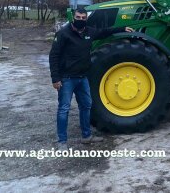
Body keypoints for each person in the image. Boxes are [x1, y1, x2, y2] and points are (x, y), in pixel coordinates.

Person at [49, 8, 134, 150]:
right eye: (78, 17)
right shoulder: (63, 33)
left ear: (86, 19)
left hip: (83, 78)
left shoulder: (89, 31)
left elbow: (104, 31)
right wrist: (55, 78)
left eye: (83, 17)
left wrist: (123, 28)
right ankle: (62, 141)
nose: (80, 20)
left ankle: (86, 136)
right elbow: (54, 56)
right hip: (67, 79)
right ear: (73, 17)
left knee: (86, 105)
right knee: (64, 108)